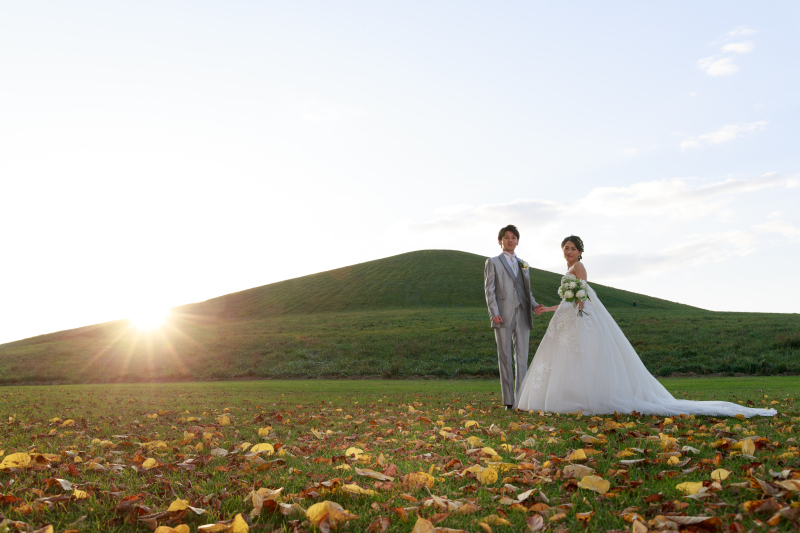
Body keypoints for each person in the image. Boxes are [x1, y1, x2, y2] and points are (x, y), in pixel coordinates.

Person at [513, 235, 777, 418]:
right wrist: (549, 309)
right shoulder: (570, 268)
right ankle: (571, 397)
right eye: (565, 248)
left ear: (580, 251)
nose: (568, 252)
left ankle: (581, 399)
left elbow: (580, 297)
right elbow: (569, 299)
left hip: (578, 319)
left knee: (579, 359)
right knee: (568, 360)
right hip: (569, 317)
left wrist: (570, 307)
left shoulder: (578, 267)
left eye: (572, 248)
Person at [484, 225, 545, 410]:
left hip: (523, 312)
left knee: (522, 357)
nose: (510, 240)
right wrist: (494, 313)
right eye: (506, 237)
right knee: (505, 358)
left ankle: (522, 399)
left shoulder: (523, 264)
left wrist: (534, 305)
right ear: (500, 241)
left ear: (517, 241)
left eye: (513, 237)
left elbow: (526, 290)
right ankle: (508, 401)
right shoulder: (492, 262)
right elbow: (489, 290)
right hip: (502, 314)